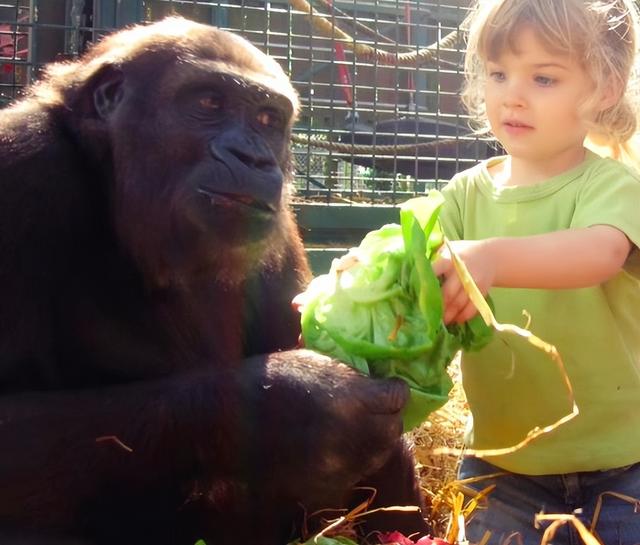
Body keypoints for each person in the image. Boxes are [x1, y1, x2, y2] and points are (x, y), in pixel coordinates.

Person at [432, 1, 640, 543]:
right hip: (502, 467)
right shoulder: (462, 196)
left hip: (621, 464)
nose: (512, 95)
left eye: (543, 77)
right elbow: (424, 279)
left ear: (605, 87)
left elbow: (599, 254)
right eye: (498, 73)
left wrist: (492, 260)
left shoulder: (611, 186)